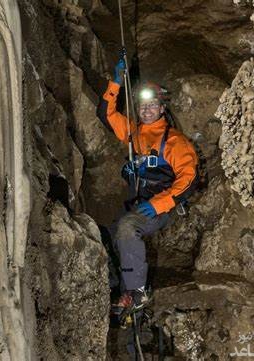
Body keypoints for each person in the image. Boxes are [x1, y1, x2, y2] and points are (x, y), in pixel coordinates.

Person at [96, 58, 199, 316]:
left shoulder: (175, 141)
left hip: (161, 207)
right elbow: (105, 114)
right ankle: (117, 287)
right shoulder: (133, 133)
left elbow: (189, 179)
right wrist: (116, 82)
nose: (147, 109)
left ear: (162, 108)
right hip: (138, 203)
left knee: (128, 227)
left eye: (153, 105)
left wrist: (159, 204)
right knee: (105, 234)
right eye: (143, 105)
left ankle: (137, 292)